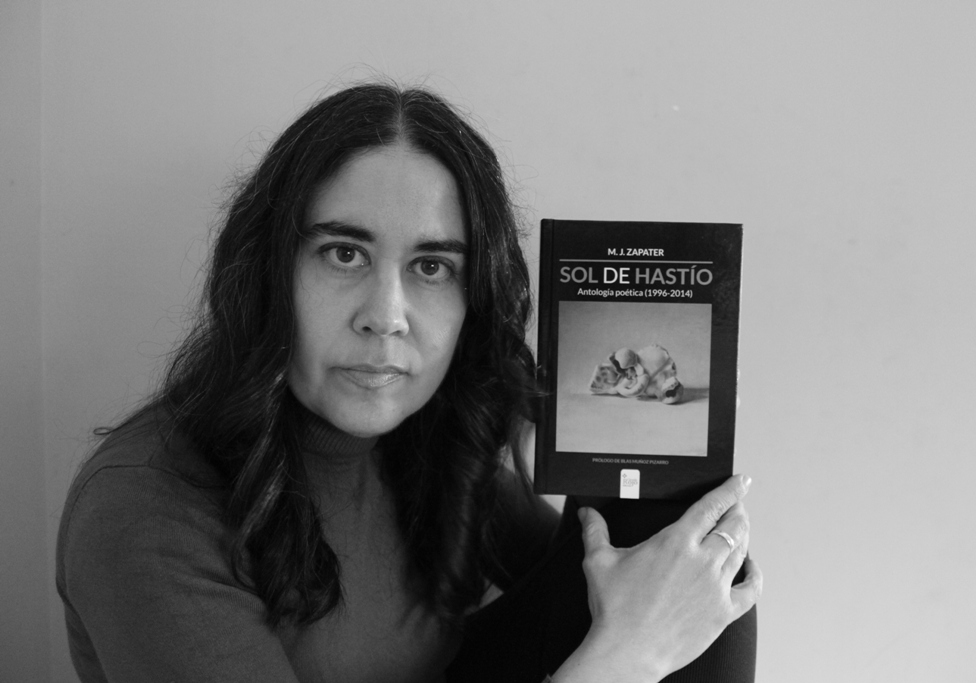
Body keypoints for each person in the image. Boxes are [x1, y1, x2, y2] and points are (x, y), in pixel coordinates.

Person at [56, 82, 761, 683]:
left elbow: (625, 577)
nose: (385, 317)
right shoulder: (143, 507)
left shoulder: (425, 440)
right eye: (344, 253)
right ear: (268, 274)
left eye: (431, 267)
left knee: (681, 541)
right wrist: (626, 660)